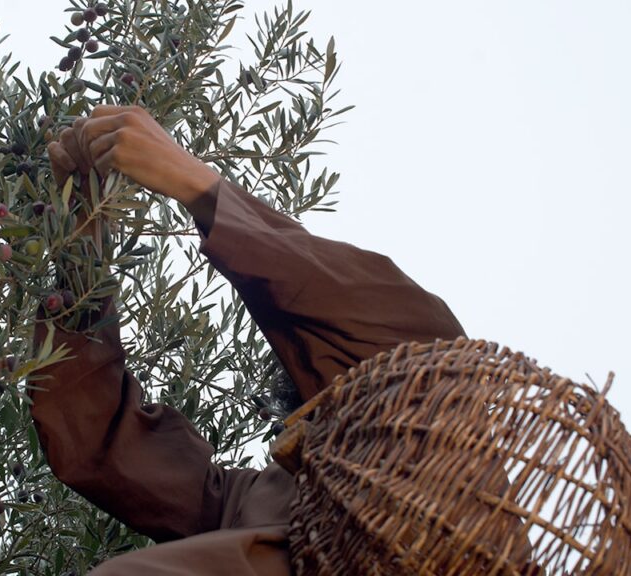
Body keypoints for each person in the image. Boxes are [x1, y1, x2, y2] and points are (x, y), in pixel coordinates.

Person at [28, 105, 466, 575]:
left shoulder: (437, 386)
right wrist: (83, 242)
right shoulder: (252, 503)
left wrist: (195, 183)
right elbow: (97, 438)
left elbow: (339, 296)